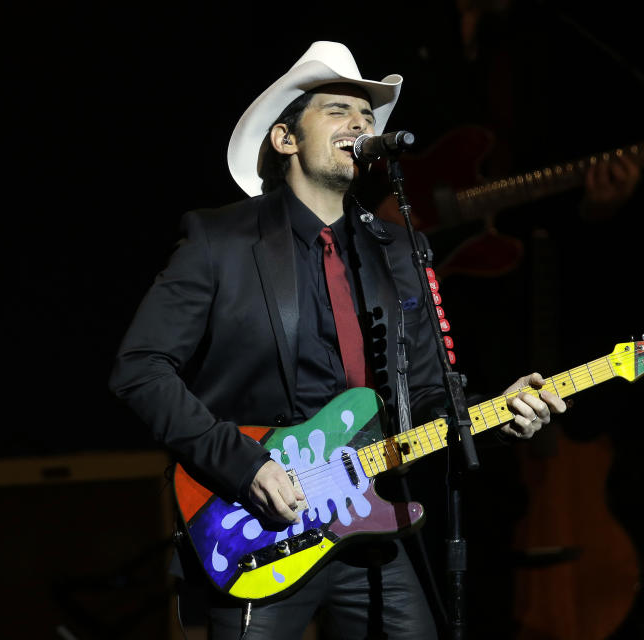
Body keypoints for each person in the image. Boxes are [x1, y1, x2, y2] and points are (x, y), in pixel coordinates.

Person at [108, 41, 565, 640]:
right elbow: (140, 368)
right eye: (338, 110)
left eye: (368, 116)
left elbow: (424, 397)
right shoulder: (219, 241)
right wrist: (245, 467)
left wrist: (492, 417)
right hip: (256, 524)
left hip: (368, 528)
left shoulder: (400, 250)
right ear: (285, 139)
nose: (360, 123)